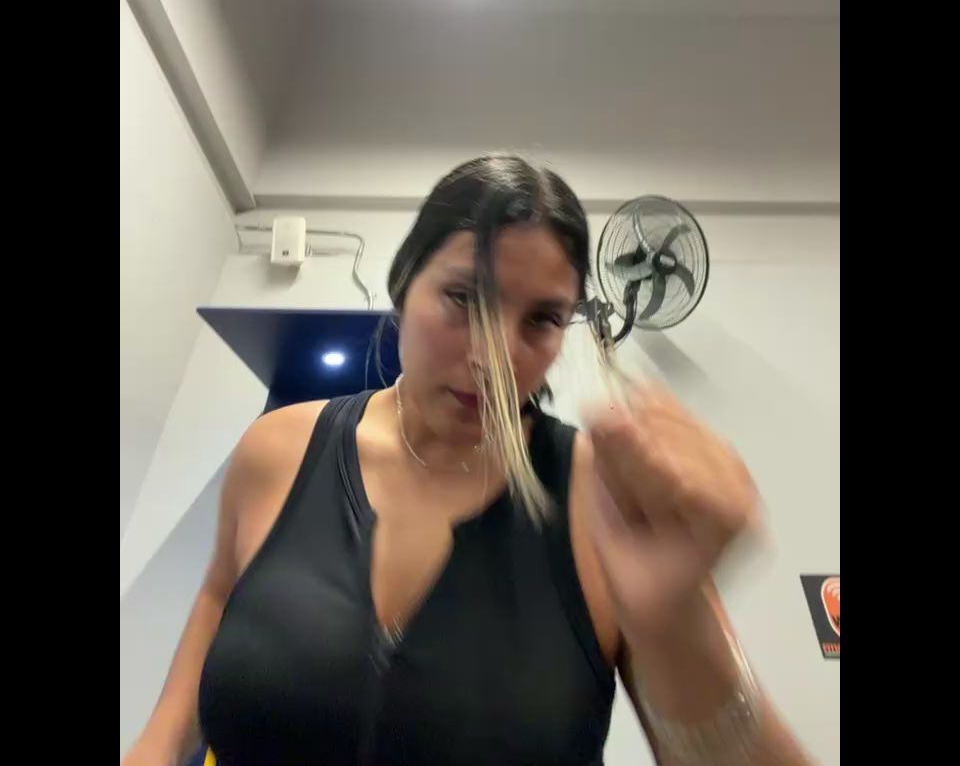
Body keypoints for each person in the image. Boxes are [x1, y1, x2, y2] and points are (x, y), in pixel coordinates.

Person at [123, 154, 811, 765]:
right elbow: (219, 599)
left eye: (542, 319)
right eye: (463, 297)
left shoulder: (601, 501)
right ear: (403, 284)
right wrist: (153, 748)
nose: (494, 358)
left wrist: (676, 624)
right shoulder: (279, 448)